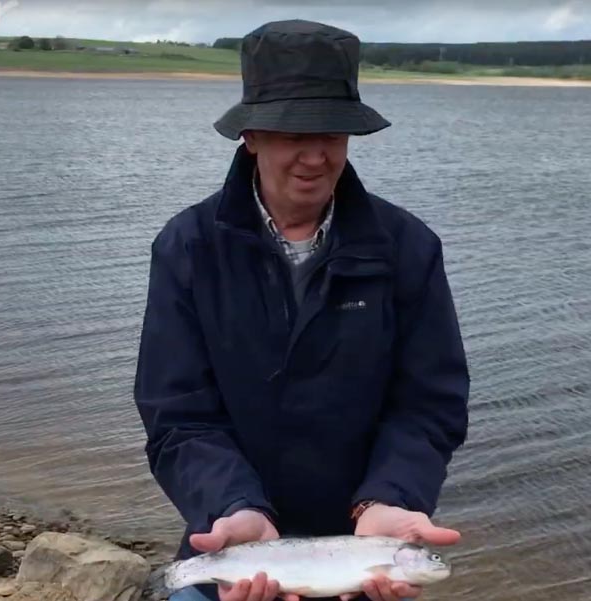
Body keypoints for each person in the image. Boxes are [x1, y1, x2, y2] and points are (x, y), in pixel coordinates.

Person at [134, 18, 469, 601]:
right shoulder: (187, 248)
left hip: (366, 552)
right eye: (294, 133)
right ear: (251, 135)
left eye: (333, 133)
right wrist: (233, 505)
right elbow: (178, 416)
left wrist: (389, 497)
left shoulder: (408, 248)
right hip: (235, 543)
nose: (315, 157)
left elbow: (428, 406)